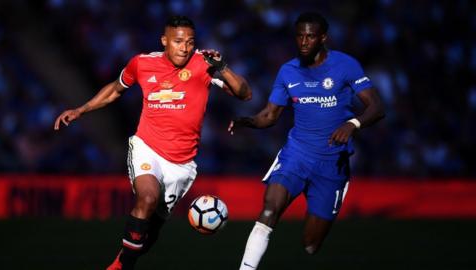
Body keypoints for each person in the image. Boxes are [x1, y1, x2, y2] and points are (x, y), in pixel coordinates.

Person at [54, 15, 251, 270]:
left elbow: (244, 93)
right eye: (178, 41)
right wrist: (82, 109)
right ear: (164, 41)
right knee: (147, 198)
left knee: (151, 231)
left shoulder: (204, 64)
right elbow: (115, 89)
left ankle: (122, 262)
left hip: (181, 164)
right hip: (147, 148)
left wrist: (222, 66)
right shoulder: (142, 63)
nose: (185, 47)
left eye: (190, 42)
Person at [228, 12, 385, 269]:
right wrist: (247, 121)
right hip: (297, 154)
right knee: (270, 208)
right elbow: (270, 115)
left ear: (323, 38)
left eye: (310, 36)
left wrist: (352, 124)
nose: (303, 42)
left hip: (332, 163)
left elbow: (377, 107)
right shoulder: (288, 71)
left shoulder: (346, 65)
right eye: (299, 36)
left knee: (310, 245)